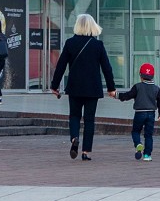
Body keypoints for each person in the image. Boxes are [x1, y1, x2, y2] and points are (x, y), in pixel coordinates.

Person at [49, 14, 117, 161]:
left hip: (75, 87)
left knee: (74, 115)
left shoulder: (70, 43)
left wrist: (55, 86)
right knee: (89, 120)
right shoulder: (98, 45)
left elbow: (60, 66)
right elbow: (107, 68)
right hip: (93, 88)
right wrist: (111, 88)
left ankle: (74, 138)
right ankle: (86, 152)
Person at [115, 63, 160, 161]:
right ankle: (147, 155)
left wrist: (117, 95)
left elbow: (127, 95)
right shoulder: (157, 89)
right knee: (148, 135)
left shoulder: (137, 87)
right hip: (151, 113)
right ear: (152, 76)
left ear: (141, 76)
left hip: (139, 113)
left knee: (135, 131)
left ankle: (138, 144)